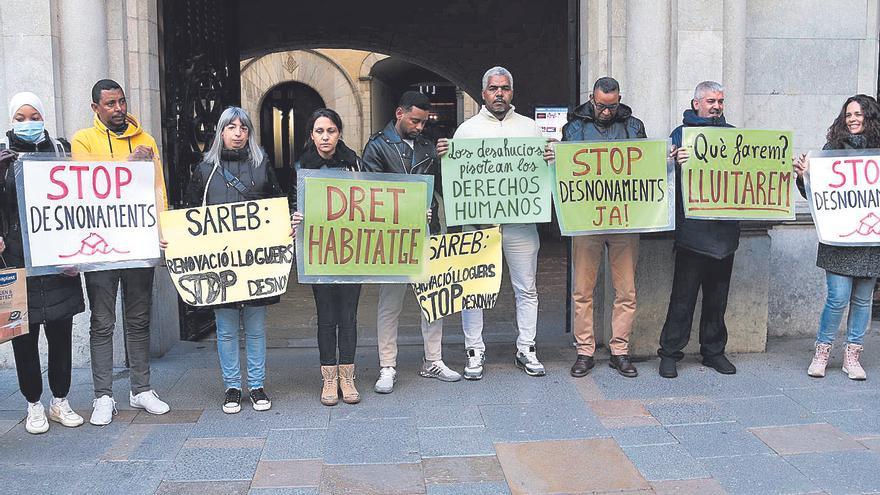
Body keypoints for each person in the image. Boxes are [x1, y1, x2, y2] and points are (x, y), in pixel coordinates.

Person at [437, 66, 547, 379]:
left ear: (512, 92)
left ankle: (527, 346)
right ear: (483, 92)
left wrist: (552, 159)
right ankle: (474, 350)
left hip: (521, 224)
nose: (499, 93)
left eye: (505, 88)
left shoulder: (531, 130)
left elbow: (543, 176)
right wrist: (444, 155)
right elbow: (452, 180)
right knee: (473, 289)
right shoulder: (465, 131)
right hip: (478, 226)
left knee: (526, 287)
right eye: (493, 88)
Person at [71, 79, 170, 424]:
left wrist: (162, 231)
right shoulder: (83, 140)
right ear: (95, 108)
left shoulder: (146, 139)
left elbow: (158, 187)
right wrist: (129, 165)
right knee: (102, 321)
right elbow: (85, 185)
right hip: (100, 245)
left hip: (139, 242)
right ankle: (103, 395)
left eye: (121, 102)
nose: (118, 109)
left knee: (139, 318)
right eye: (110, 104)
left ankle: (141, 388)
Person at [180, 106, 284, 413]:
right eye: (231, 127)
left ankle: (256, 385)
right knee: (225, 329)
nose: (237, 133)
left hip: (256, 264)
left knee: (255, 327)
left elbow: (278, 204)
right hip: (220, 264)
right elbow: (190, 215)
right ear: (221, 132)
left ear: (249, 133)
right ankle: (232, 387)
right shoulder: (205, 170)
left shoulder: (262, 165)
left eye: (243, 128)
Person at [362, 90, 461, 393]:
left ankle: (433, 359)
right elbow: (370, 193)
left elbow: (445, 185)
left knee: (434, 299)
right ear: (399, 113)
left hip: (426, 231)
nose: (420, 127)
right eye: (415, 121)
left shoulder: (429, 146)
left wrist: (450, 158)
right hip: (392, 237)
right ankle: (387, 365)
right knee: (390, 303)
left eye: (424, 122)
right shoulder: (377, 146)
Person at [0, 92, 86, 434]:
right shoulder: (2, 160)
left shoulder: (61, 151)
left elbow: (82, 198)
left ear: (44, 116)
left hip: (57, 256)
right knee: (25, 334)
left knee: (61, 330)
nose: (27, 122)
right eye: (20, 117)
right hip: (17, 259)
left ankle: (60, 400)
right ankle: (33, 403)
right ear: (10, 120)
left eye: (33, 115)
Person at [558, 77, 646, 378]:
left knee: (626, 289)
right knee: (583, 289)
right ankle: (585, 350)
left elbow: (645, 166)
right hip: (586, 218)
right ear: (591, 99)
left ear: (619, 99)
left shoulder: (634, 126)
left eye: (612, 106)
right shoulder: (573, 128)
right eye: (600, 106)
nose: (606, 112)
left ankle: (619, 349)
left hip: (623, 217)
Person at [794, 94, 880, 380]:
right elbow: (815, 195)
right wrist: (803, 176)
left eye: (859, 114)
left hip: (869, 241)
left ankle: (852, 356)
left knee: (863, 300)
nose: (853, 119)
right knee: (837, 298)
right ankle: (822, 352)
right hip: (839, 240)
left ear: (869, 117)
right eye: (849, 115)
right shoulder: (831, 150)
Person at [657, 81, 739, 378]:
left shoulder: (734, 136)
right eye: (710, 101)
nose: (716, 106)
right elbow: (662, 180)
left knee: (717, 299)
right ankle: (669, 353)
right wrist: (673, 163)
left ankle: (713, 352)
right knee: (683, 298)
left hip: (725, 234)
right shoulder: (679, 136)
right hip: (692, 234)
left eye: (720, 101)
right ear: (696, 104)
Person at [291, 108, 363, 406]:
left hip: (351, 250)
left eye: (330, 131)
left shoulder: (354, 162)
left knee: (348, 317)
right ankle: (329, 379)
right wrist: (293, 217)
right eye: (319, 131)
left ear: (339, 133)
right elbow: (291, 201)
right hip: (318, 251)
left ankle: (348, 377)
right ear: (311, 134)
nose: (325, 137)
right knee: (326, 318)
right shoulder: (301, 166)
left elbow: (371, 200)